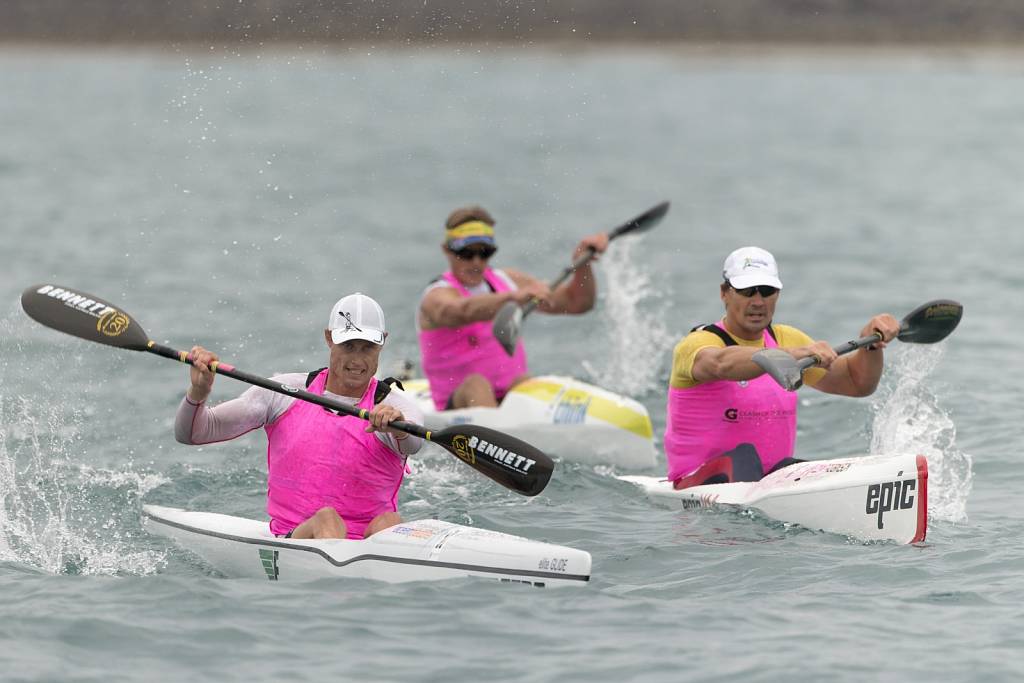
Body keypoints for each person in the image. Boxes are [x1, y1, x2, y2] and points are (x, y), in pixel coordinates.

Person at [175, 293, 423, 540]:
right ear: (329, 338)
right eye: (348, 346)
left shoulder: (395, 407)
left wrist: (398, 428)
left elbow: (414, 443)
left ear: (382, 342)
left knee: (390, 521)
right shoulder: (283, 392)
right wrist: (199, 392)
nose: (357, 359)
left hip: (369, 544)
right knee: (327, 519)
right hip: (298, 538)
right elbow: (194, 433)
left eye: (367, 347)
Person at [664, 246, 901, 488]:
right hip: (696, 485)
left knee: (795, 468)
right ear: (725, 293)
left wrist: (869, 347)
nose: (758, 302)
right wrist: (793, 354)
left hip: (769, 484)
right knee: (744, 456)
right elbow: (721, 363)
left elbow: (855, 382)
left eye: (767, 291)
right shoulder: (698, 344)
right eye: (747, 291)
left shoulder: (786, 338)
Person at [417, 205, 609, 410]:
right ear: (447, 250)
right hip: (457, 405)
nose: (476, 261)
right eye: (466, 253)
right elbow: (461, 310)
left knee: (525, 383)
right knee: (477, 385)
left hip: (506, 400)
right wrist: (513, 298)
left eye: (484, 253)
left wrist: (582, 262)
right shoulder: (436, 296)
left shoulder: (509, 280)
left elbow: (578, 303)